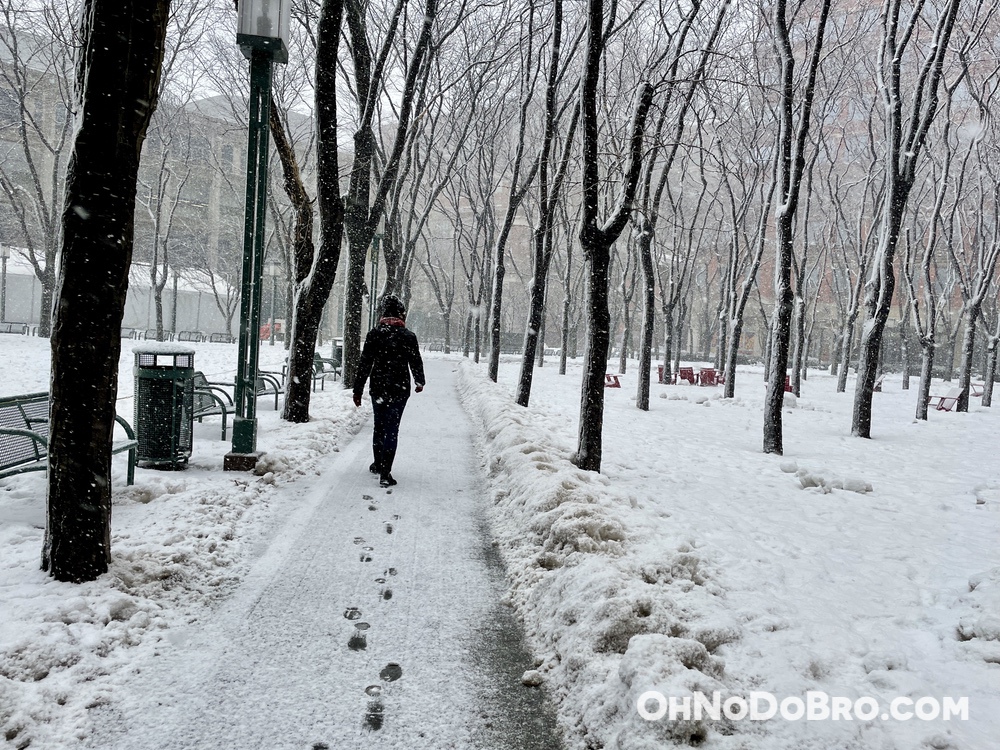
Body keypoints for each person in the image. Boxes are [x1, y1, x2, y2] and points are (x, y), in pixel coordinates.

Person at [352, 295, 425, 487]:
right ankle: (386, 472)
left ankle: (377, 463)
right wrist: (419, 381)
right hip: (399, 388)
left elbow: (365, 363)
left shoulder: (374, 334)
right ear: (401, 313)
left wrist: (357, 390)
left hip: (378, 387)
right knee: (392, 428)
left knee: (379, 426)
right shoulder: (408, 336)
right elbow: (415, 360)